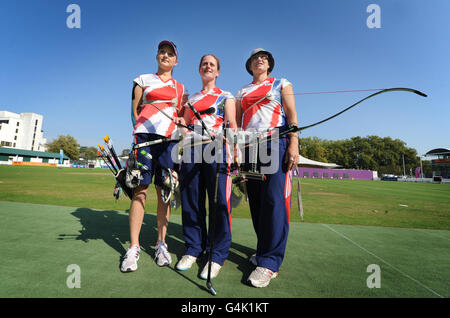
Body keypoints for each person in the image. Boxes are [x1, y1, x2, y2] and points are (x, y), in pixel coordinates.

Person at [120, 40, 188, 272]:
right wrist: (139, 134)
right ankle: (134, 247)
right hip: (145, 139)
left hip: (169, 142)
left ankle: (161, 243)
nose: (165, 56)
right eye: (162, 52)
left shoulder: (180, 88)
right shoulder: (142, 80)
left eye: (170, 54)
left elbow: (182, 116)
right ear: (157, 56)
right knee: (140, 190)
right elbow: (134, 111)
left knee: (165, 192)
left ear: (176, 61)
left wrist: (181, 121)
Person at [235, 48, 299, 287]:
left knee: (274, 201)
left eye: (264, 57)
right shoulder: (242, 91)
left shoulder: (282, 83)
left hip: (276, 144)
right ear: (249, 65)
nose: (259, 59)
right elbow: (240, 124)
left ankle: (270, 263)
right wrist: (238, 150)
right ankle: (262, 252)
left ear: (269, 65)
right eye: (255, 58)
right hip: (250, 148)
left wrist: (294, 143)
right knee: (258, 202)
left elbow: (292, 116)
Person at [175, 54, 237, 280]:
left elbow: (233, 126)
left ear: (217, 72)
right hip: (192, 149)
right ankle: (193, 248)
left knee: (219, 201)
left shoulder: (225, 96)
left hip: (217, 150)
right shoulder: (191, 98)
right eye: (204, 64)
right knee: (191, 200)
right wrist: (182, 125)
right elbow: (185, 128)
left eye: (212, 64)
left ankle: (216, 254)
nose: (207, 66)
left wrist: (229, 141)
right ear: (199, 70)